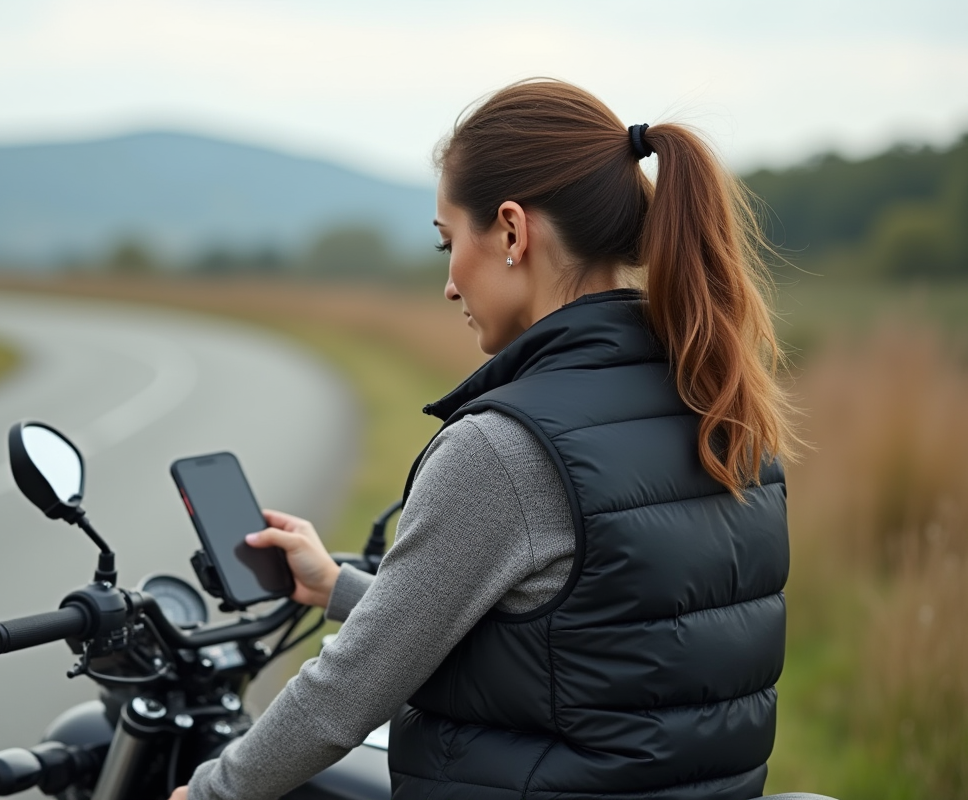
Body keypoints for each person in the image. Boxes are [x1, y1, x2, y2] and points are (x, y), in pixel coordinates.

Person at [175, 78, 800, 800]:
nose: (448, 283)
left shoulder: (504, 449)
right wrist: (338, 587)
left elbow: (346, 692)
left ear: (510, 230)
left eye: (448, 241)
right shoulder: (720, 400)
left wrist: (211, 792)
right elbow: (597, 640)